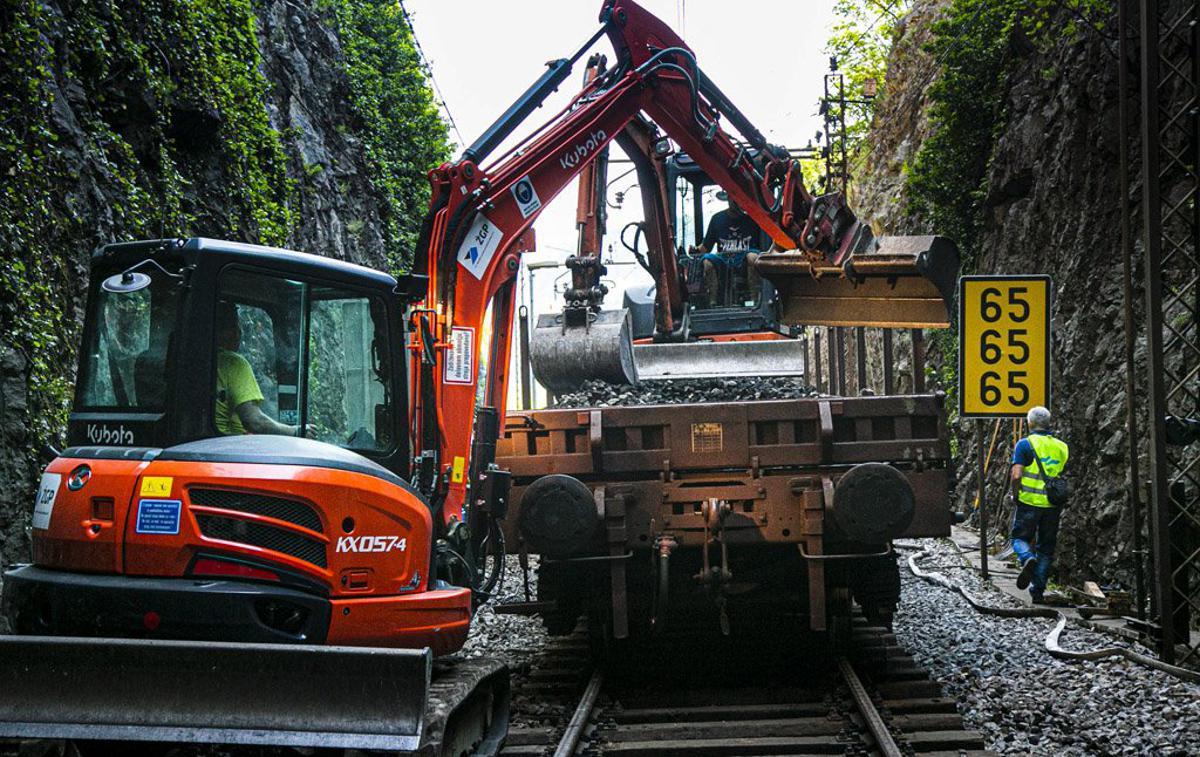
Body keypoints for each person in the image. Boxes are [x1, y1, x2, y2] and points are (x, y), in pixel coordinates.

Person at [215, 302, 304, 437]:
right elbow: (254, 422)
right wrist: (295, 431)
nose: (239, 332)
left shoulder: (195, 361)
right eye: (233, 326)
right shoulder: (232, 363)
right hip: (229, 447)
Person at [1010, 406, 1069, 603]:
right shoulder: (1061, 447)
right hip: (1052, 505)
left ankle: (1027, 558)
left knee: (1019, 539)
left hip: (1028, 503)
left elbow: (1016, 474)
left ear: (1030, 423)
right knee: (1045, 548)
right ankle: (1038, 592)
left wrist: (1015, 493)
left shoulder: (1024, 445)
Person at [690, 193, 767, 306]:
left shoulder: (753, 219)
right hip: (724, 260)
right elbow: (706, 247)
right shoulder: (717, 219)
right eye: (733, 199)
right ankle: (713, 303)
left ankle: (755, 301)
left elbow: (764, 247)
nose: (736, 203)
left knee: (753, 257)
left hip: (745, 260)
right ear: (728, 199)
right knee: (707, 261)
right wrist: (696, 250)